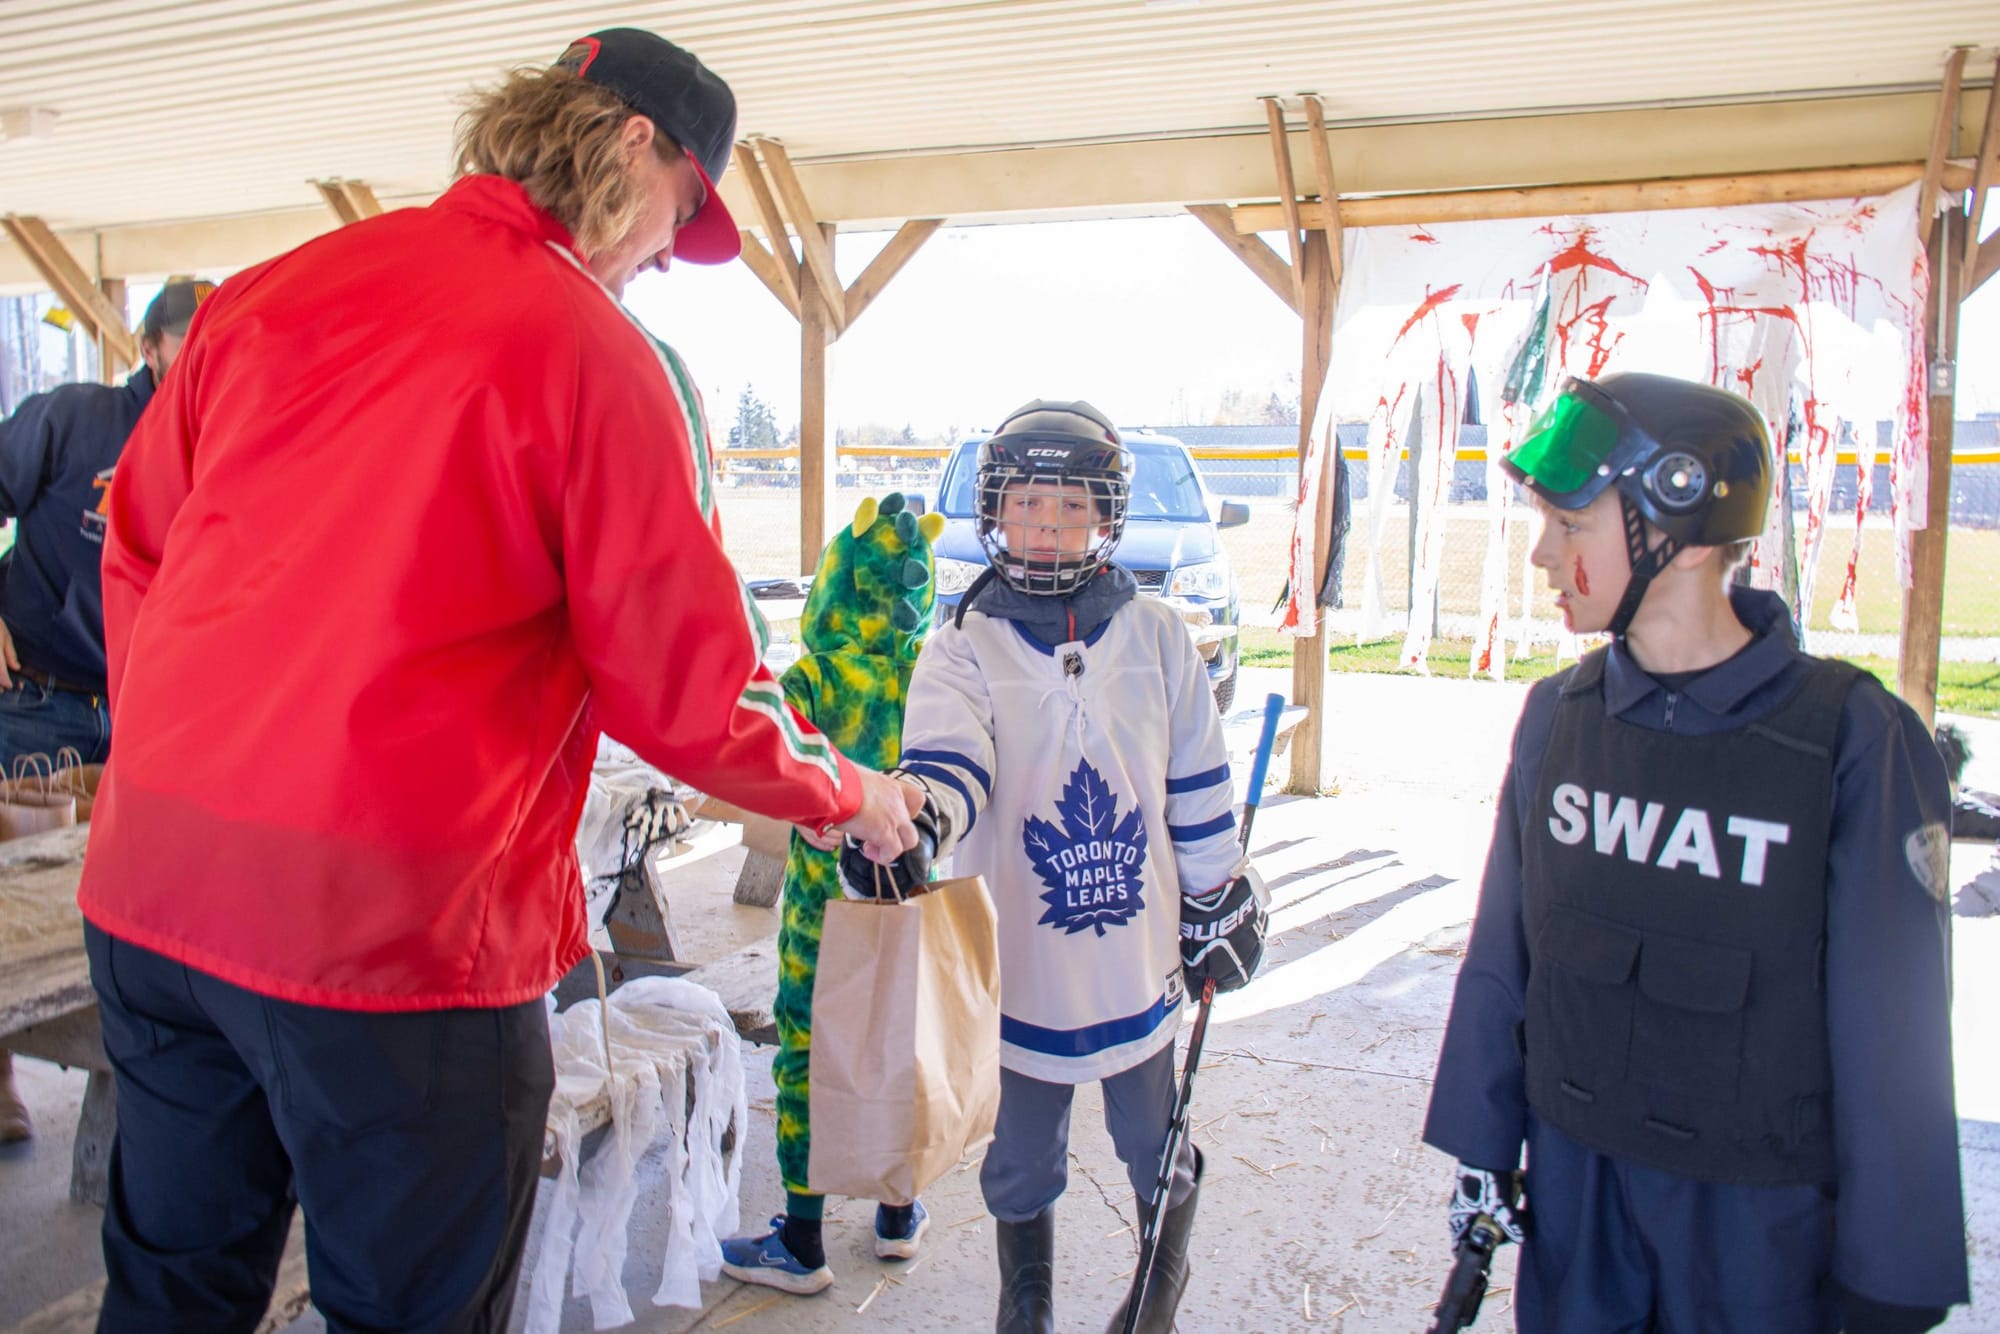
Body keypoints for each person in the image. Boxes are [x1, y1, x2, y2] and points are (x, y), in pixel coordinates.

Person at [76, 28, 920, 1332]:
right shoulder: (591, 354)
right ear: (634, 148)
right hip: (388, 939)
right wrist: (842, 786)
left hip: (153, 894)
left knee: (170, 1291)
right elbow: (689, 689)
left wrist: (181, 762)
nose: (659, 257)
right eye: (679, 215)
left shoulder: (273, 289)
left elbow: (136, 550)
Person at [1423, 372, 1969, 1333]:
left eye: (1572, 525)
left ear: (1675, 524)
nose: (1545, 555)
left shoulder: (1848, 740)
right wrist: (1483, 1147)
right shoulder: (1560, 718)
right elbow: (1505, 955)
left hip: (1755, 1220)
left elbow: (1896, 1026)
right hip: (1579, 1194)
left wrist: (1890, 1269)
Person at [838, 400, 1269, 1334]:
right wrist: (911, 826)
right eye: (1029, 506)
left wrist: (1218, 895)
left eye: (1068, 509)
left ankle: (1159, 1291)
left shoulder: (1158, 636)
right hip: (1023, 958)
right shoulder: (961, 647)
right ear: (996, 513)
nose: (1046, 528)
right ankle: (1023, 1305)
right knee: (1021, 1156)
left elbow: (1196, 780)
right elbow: (949, 767)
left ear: (1105, 516)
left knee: (1153, 1138)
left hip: (1137, 950)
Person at [719, 492, 947, 1294]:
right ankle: (896, 1214)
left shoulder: (811, 678)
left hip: (824, 915)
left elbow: (775, 774)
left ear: (836, 581)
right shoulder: (932, 674)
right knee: (901, 1043)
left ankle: (804, 1239)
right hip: (909, 905)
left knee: (810, 1054)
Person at [0, 279, 210, 1145]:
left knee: (133, 899)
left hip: (144, 714)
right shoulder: (74, 418)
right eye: (188, 346)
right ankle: (3, 1080)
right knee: (14, 897)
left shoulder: (222, 447)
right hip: (36, 698)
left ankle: (132, 1087)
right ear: (152, 348)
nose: (204, 366)